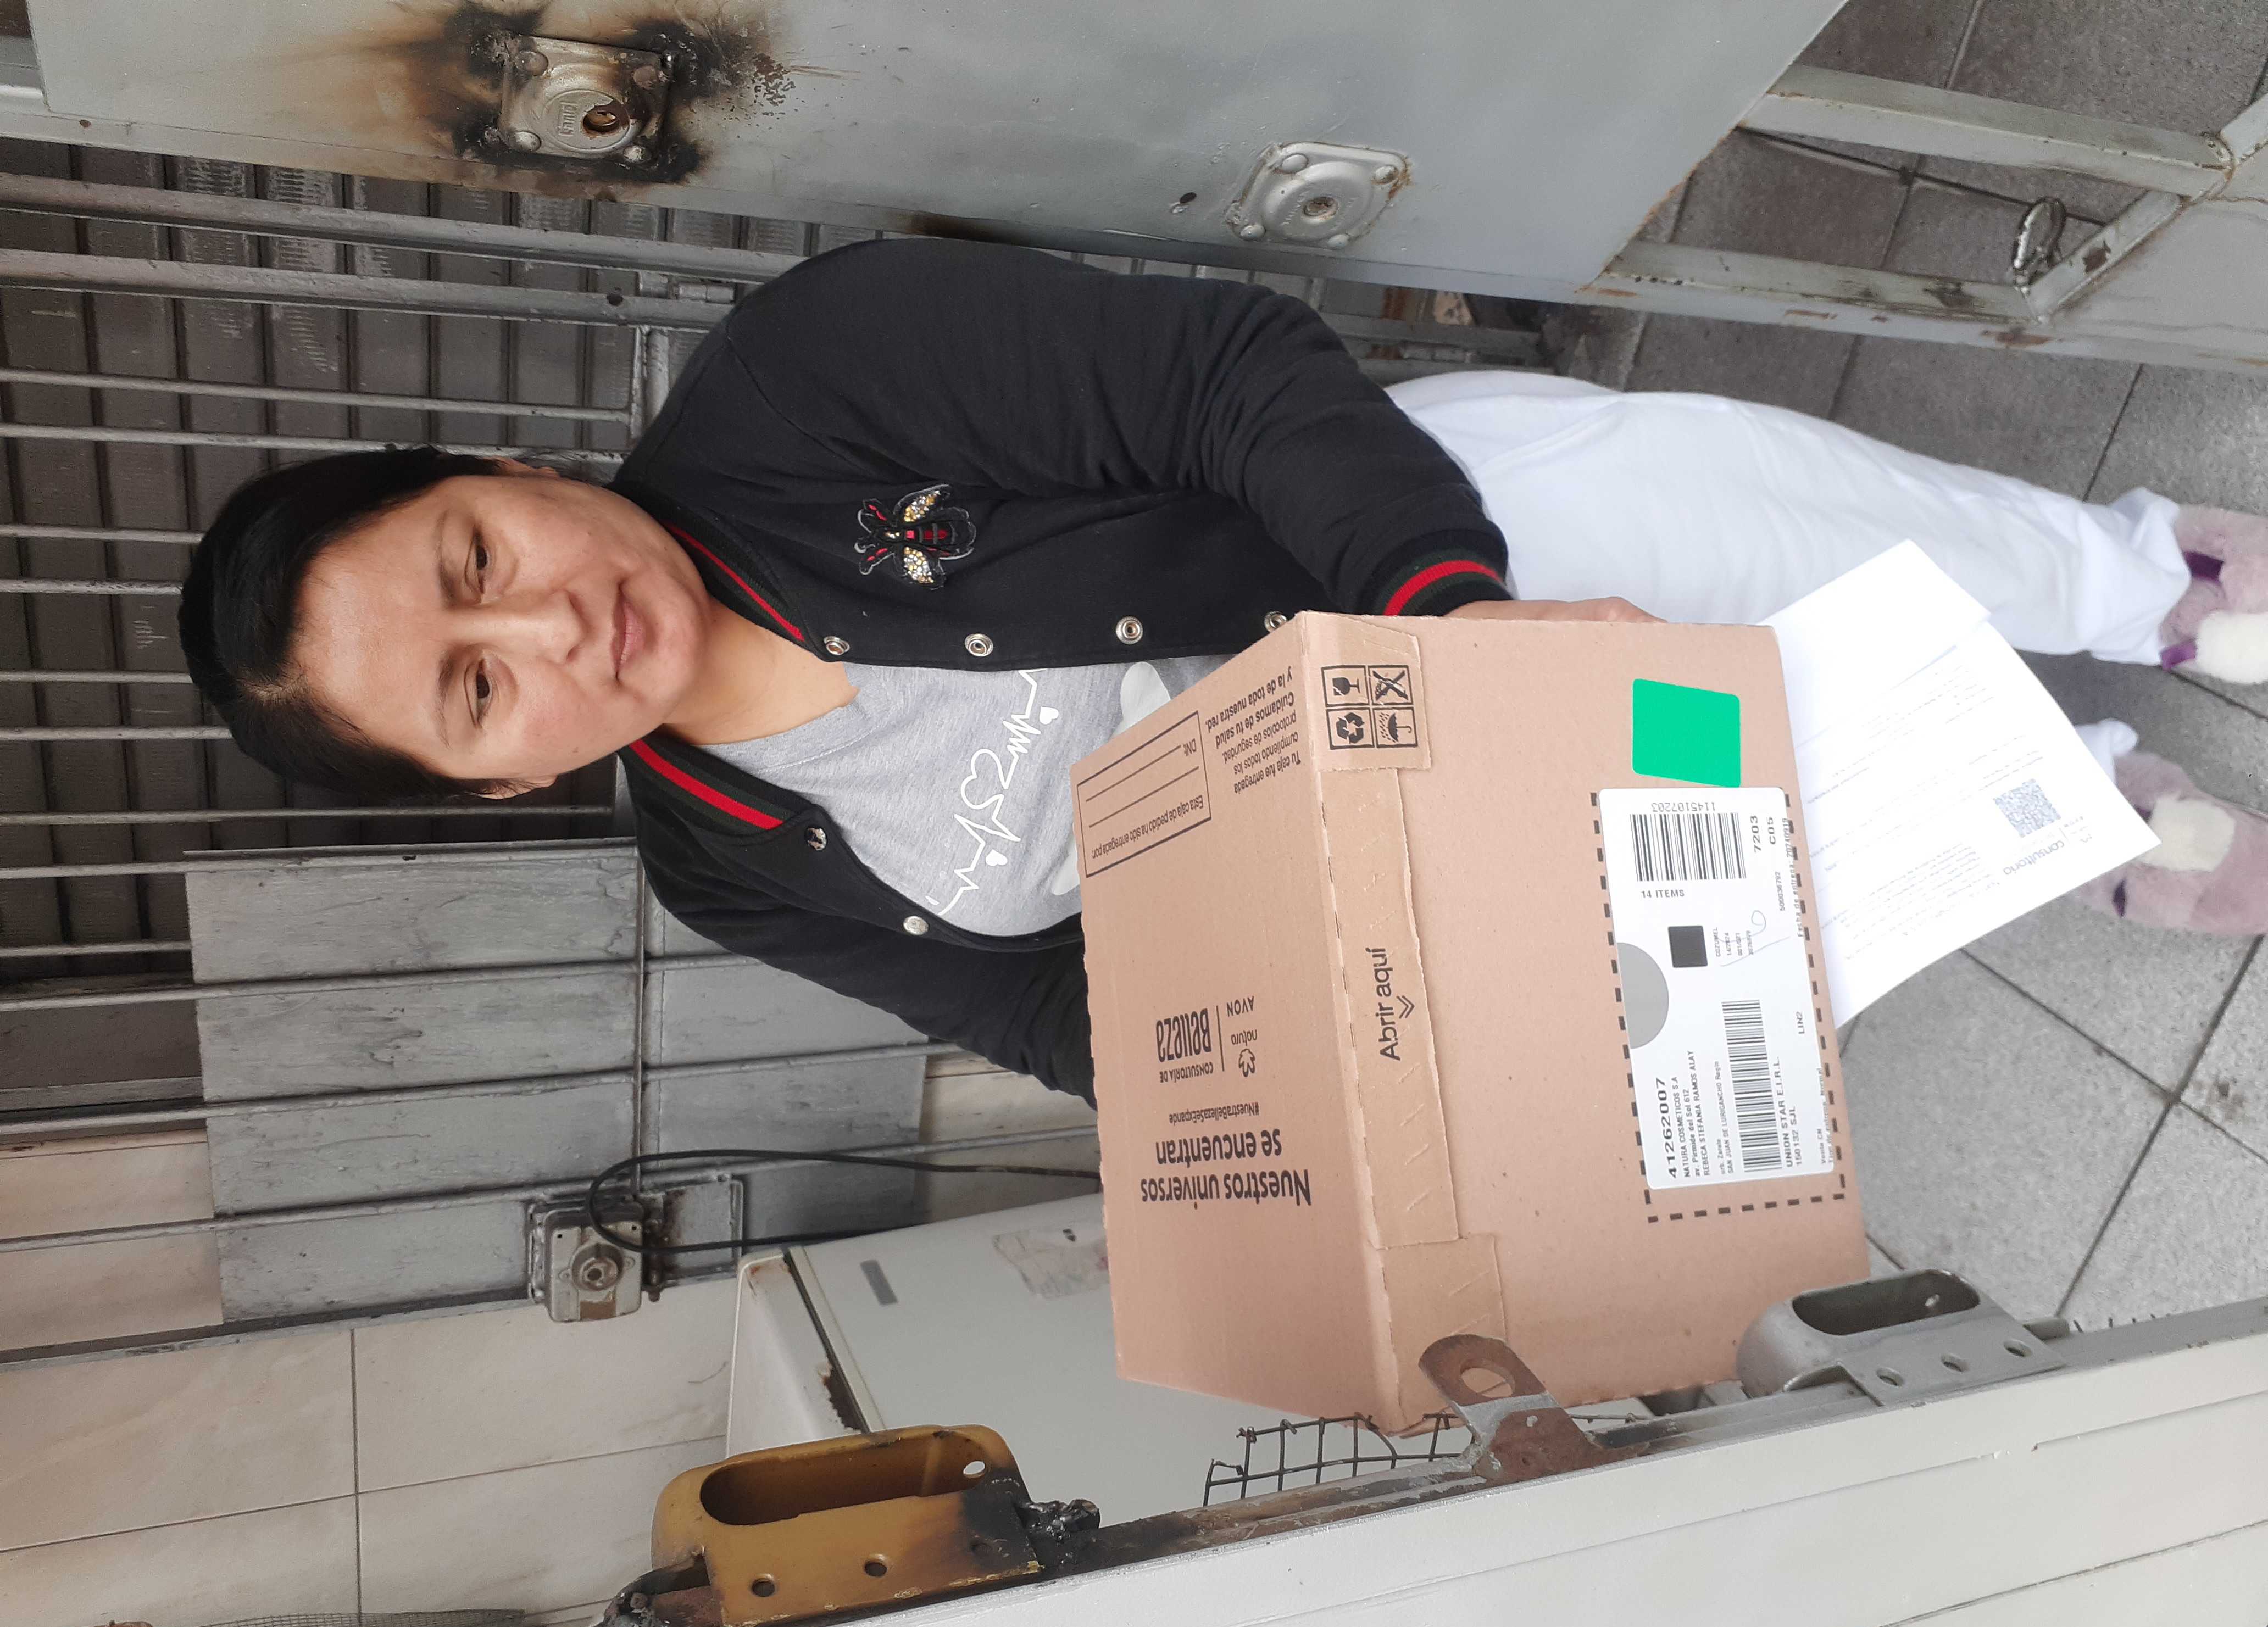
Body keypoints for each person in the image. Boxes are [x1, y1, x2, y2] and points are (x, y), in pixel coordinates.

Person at [178, 238, 2268, 1102]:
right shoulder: (719, 861)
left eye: (476, 561)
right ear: (504, 780)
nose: (548, 628)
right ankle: (2052, 793)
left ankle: (2136, 579)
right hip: (1405, 840)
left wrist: (1452, 627)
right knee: (1723, 837)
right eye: (475, 688)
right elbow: (1054, 1012)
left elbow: (1226, 375)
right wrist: (1300, 1089)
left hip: (1409, 543)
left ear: (507, 472)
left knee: (1705, 512)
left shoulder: (800, 384)